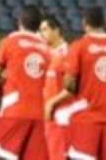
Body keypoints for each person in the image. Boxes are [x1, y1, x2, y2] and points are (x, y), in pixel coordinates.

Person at [61, 6, 106, 160]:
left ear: (85, 23)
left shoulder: (79, 46)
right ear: (103, 23)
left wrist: (80, 87)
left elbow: (69, 83)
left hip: (86, 118)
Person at [0, 4, 50, 160]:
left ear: (20, 22)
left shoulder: (11, 41)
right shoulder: (46, 48)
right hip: (40, 111)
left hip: (15, 108)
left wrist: (6, 76)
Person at [39, 15, 70, 160]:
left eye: (45, 29)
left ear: (56, 30)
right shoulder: (46, 55)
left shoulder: (68, 54)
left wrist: (53, 103)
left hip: (60, 116)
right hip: (46, 117)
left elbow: (73, 87)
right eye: (40, 30)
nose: (42, 34)